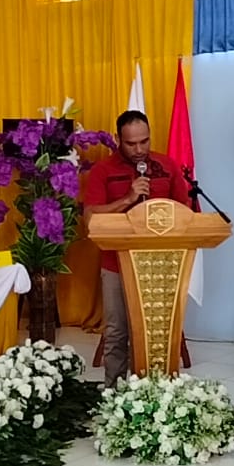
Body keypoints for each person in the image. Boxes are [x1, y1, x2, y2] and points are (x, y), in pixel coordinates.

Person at [83, 110, 192, 387]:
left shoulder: (167, 166)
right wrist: (128, 198)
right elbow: (91, 219)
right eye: (131, 143)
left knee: (156, 333)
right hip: (116, 265)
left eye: (144, 141)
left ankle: (155, 390)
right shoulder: (103, 171)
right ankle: (114, 393)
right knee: (117, 331)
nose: (139, 149)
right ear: (118, 139)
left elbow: (186, 212)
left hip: (162, 266)